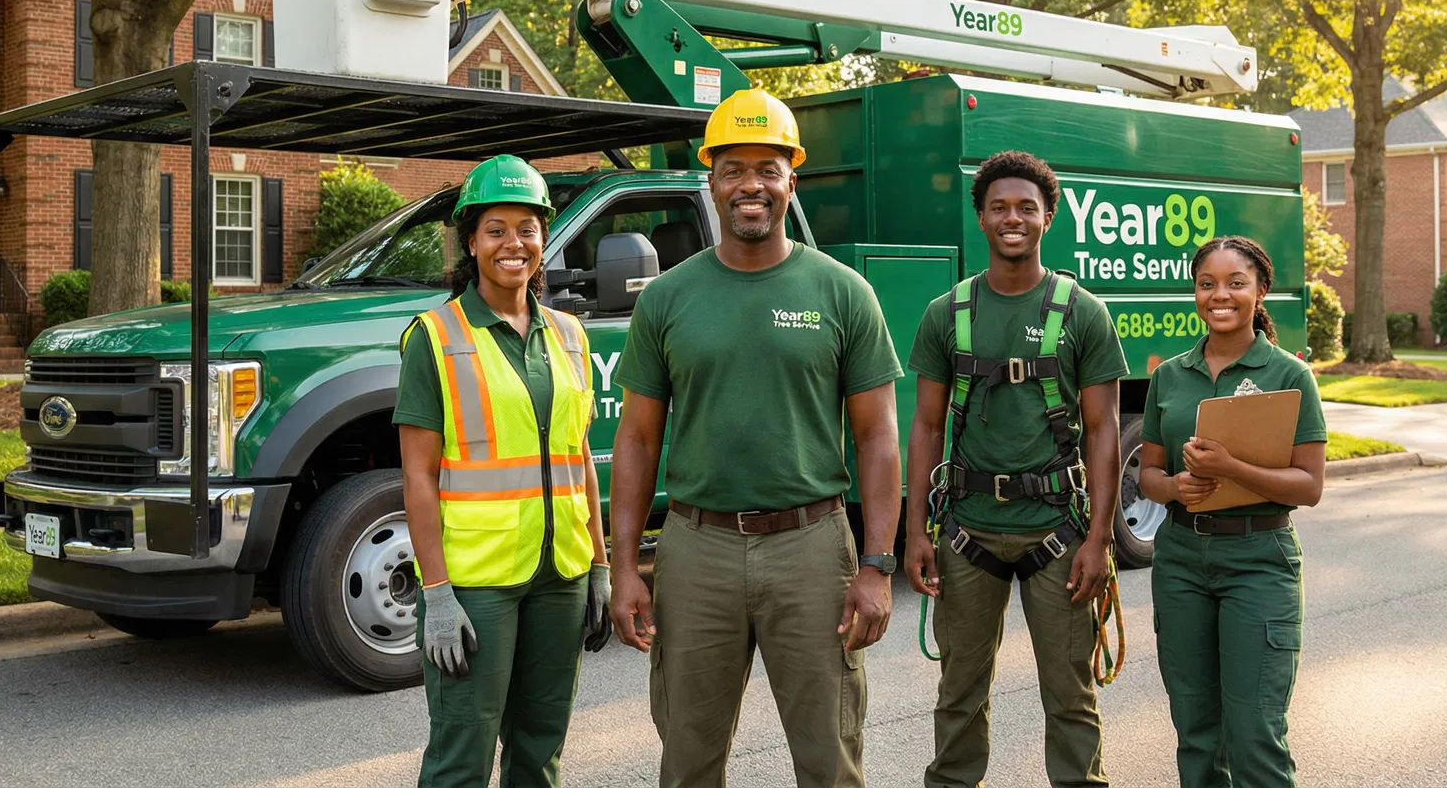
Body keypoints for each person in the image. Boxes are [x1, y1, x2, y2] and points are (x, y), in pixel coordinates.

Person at [607, 88, 905, 788]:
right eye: (734, 168)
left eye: (767, 169)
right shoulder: (667, 298)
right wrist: (623, 568)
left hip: (811, 548)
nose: (751, 185)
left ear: (790, 179)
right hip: (696, 551)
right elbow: (638, 442)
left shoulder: (842, 292)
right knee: (687, 758)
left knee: (829, 757)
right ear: (710, 179)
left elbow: (879, 439)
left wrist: (876, 564)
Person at [903, 150, 1128, 788]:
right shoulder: (946, 314)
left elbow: (1105, 429)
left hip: (1058, 532)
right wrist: (916, 532)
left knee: (1071, 695)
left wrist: (1098, 537)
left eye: (1027, 208)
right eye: (999, 207)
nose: (1013, 219)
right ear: (980, 217)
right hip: (968, 532)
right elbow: (925, 426)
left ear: (1048, 217)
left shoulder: (1083, 312)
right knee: (958, 694)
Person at [394, 154, 613, 788]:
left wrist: (598, 564)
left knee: (541, 751)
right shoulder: (434, 337)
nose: (513, 243)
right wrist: (435, 594)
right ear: (470, 241)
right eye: (495, 229)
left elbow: (579, 459)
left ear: (544, 239)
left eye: (527, 228)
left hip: (560, 577)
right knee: (463, 756)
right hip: (476, 585)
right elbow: (417, 480)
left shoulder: (570, 334)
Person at [1136, 235, 1326, 788]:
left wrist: (1231, 468)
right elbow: (1146, 475)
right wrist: (1173, 486)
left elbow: (1309, 486)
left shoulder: (1290, 375)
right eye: (1207, 284)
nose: (1220, 295)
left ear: (1260, 291)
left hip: (1259, 559)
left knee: (1255, 731)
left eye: (1236, 283)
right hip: (1181, 561)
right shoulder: (1169, 376)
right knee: (1195, 729)